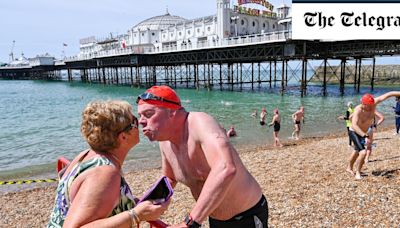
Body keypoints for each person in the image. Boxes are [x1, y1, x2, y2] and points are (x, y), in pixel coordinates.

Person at [136, 86, 268, 228]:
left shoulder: (200, 123)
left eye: (148, 114)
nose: (141, 121)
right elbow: (169, 178)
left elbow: (225, 167)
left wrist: (189, 223)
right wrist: (143, 205)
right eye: (139, 116)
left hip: (246, 215)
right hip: (213, 217)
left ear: (172, 112)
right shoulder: (165, 141)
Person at [48, 100, 169, 228]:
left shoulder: (85, 155)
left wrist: (130, 202)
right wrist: (136, 215)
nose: (139, 122)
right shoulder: (105, 173)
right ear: (123, 137)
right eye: (134, 121)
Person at [347, 92, 400, 180]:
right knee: (363, 152)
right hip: (354, 132)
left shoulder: (373, 103)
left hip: (364, 132)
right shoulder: (358, 109)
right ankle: (358, 173)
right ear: (363, 104)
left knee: (356, 151)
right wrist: (365, 135)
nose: (372, 107)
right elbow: (355, 125)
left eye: (372, 104)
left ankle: (349, 167)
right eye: (369, 105)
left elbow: (388, 95)